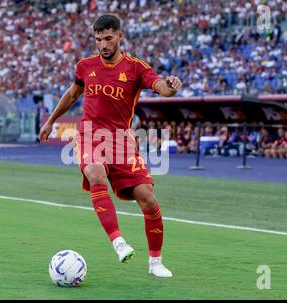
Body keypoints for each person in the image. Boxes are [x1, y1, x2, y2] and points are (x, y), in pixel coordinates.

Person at [39, 14, 182, 278]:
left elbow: (160, 87)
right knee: (95, 173)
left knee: (148, 199)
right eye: (98, 40)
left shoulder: (136, 68)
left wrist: (171, 87)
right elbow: (72, 95)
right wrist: (50, 121)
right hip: (90, 135)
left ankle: (155, 262)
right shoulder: (85, 66)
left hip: (122, 142)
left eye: (107, 39)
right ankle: (118, 242)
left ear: (119, 36)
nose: (102, 45)